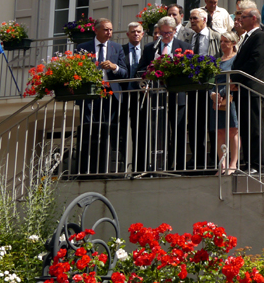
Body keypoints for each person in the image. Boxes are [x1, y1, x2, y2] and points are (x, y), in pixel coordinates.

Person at [137, 16, 193, 171]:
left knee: (178, 131)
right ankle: (158, 165)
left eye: (169, 33)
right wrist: (145, 80)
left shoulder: (184, 46)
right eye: (163, 33)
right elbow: (140, 70)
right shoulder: (151, 48)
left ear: (175, 31)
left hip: (177, 96)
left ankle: (179, 166)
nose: (166, 36)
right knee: (158, 132)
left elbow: (190, 71)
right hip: (156, 97)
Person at [75, 18, 127, 175]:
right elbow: (76, 70)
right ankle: (86, 168)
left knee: (107, 130)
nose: (109, 33)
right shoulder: (83, 48)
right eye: (106, 30)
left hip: (110, 94)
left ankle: (105, 167)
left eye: (111, 30)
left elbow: (125, 73)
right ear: (96, 30)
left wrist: (114, 67)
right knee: (88, 129)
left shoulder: (117, 48)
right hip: (90, 94)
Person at [231, 6, 264, 174]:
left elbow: (254, 61)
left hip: (252, 87)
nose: (240, 21)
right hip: (242, 88)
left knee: (254, 128)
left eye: (244, 17)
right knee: (245, 128)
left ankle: (257, 165)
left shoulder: (260, 36)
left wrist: (235, 78)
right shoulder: (246, 37)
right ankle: (248, 163)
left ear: (253, 18)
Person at [186, 8, 223, 170]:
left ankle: (215, 158)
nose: (192, 21)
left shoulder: (216, 37)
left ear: (204, 20)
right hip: (194, 87)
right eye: (190, 18)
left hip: (211, 86)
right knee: (195, 124)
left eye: (194, 18)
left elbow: (223, 57)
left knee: (213, 123)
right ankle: (197, 158)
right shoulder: (190, 38)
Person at [210, 31, 240, 174]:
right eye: (221, 41)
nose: (222, 44)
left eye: (226, 41)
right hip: (217, 100)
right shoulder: (217, 61)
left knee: (233, 130)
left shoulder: (236, 59)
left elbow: (234, 79)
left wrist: (222, 94)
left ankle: (233, 164)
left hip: (231, 98)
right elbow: (210, 81)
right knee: (219, 131)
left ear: (233, 43)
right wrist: (213, 94)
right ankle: (222, 165)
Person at [121, 22, 147, 172]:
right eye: (133, 32)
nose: (136, 34)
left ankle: (140, 166)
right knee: (123, 130)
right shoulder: (121, 50)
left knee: (141, 130)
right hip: (124, 94)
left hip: (141, 95)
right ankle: (123, 163)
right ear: (128, 34)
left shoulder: (147, 50)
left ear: (142, 34)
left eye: (138, 32)